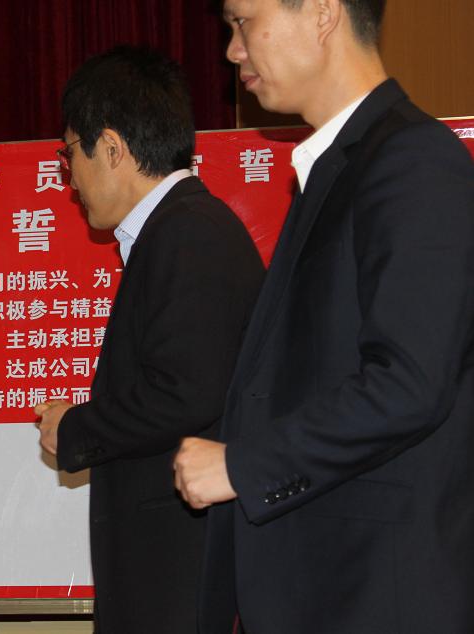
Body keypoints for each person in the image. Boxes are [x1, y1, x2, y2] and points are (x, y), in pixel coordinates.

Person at [173, 1, 474, 632]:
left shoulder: (412, 160)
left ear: (320, 13)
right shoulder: (340, 166)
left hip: (373, 593)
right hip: (326, 587)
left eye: (242, 21)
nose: (232, 50)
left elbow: (409, 384)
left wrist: (243, 465)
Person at [34, 46, 264, 633]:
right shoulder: (177, 231)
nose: (70, 180)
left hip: (180, 569)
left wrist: (76, 428)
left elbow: (185, 392)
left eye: (69, 154)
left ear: (111, 149)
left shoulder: (190, 234)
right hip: (169, 569)